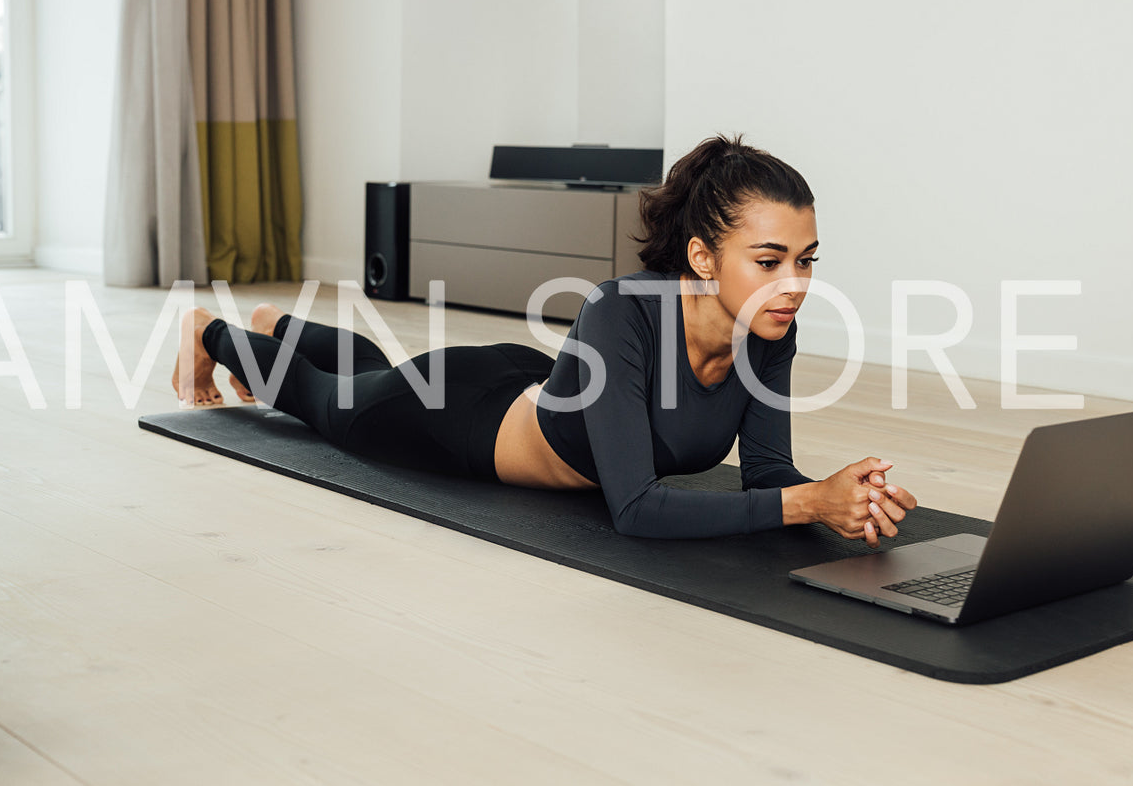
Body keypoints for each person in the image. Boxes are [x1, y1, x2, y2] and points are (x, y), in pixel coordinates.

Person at [171, 134, 918, 544]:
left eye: (805, 260)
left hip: (536, 381)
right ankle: (218, 331)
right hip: (461, 419)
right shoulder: (619, 311)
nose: (794, 282)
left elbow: (764, 473)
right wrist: (806, 505)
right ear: (700, 256)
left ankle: (287, 325)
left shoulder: (768, 328)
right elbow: (637, 509)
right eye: (769, 261)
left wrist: (840, 496)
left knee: (384, 367)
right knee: (327, 401)